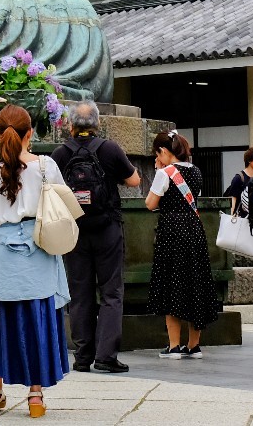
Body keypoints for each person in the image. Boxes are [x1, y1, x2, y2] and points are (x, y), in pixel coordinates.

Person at [0, 103, 72, 418]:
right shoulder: (47, 166)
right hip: (39, 250)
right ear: (31, 132)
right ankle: (35, 397)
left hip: (4, 253)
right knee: (37, 319)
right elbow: (63, 206)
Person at [52, 100, 139, 374]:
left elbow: (51, 189)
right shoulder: (109, 149)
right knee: (112, 292)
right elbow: (134, 180)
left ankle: (82, 356)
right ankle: (105, 357)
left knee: (80, 293)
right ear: (98, 123)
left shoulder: (60, 154)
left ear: (70, 125)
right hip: (107, 229)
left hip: (75, 231)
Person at [144, 130, 221, 358]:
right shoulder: (196, 171)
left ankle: (174, 346)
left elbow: (150, 203)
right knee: (195, 282)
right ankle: (194, 345)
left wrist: (159, 172)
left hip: (171, 232)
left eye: (157, 154)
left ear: (164, 151)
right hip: (193, 230)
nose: (157, 159)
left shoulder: (165, 172)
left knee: (172, 284)